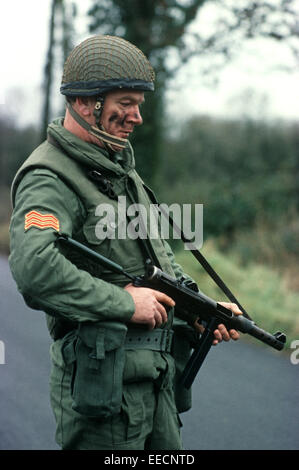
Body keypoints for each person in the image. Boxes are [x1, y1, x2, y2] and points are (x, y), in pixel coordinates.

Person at [9, 35, 241, 450]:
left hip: (156, 384)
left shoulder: (121, 171)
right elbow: (34, 268)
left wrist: (199, 310)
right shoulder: (50, 177)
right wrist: (124, 303)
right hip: (103, 390)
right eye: (126, 103)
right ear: (85, 103)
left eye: (139, 105)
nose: (136, 117)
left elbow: (158, 261)